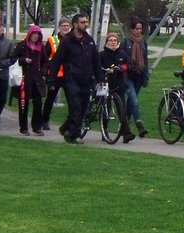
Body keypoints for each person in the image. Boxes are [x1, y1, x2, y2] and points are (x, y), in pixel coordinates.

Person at [49, 12, 102, 143]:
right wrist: (51, 79)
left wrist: (100, 78)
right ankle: (73, 135)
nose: (86, 24)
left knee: (83, 107)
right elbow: (57, 60)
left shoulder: (89, 40)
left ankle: (66, 127)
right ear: (75, 24)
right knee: (76, 106)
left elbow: (96, 61)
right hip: (71, 80)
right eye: (83, 22)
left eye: (86, 22)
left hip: (86, 80)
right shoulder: (67, 41)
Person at [10, 24, 49, 136]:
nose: (35, 36)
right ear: (30, 34)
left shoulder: (41, 47)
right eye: (34, 34)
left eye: (38, 34)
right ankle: (23, 128)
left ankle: (37, 127)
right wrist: (23, 60)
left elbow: (45, 61)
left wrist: (43, 71)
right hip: (24, 78)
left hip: (37, 78)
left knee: (38, 103)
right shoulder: (22, 46)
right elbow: (13, 58)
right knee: (23, 103)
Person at [98, 30, 134, 142]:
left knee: (121, 108)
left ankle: (126, 133)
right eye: (110, 40)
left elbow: (129, 65)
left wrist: (123, 68)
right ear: (106, 42)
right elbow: (97, 67)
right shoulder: (102, 55)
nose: (113, 42)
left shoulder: (122, 54)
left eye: (115, 40)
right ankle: (105, 132)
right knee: (106, 108)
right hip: (105, 84)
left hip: (119, 84)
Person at [123, 16, 151, 139]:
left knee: (130, 103)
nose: (138, 31)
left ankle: (125, 125)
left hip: (139, 76)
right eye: (136, 29)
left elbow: (145, 59)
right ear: (131, 29)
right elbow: (122, 58)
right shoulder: (126, 42)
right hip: (128, 76)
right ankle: (140, 125)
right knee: (134, 101)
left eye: (140, 29)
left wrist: (146, 76)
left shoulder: (143, 42)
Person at [41, 18, 69, 127]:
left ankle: (70, 122)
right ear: (59, 27)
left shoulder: (72, 40)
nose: (65, 28)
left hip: (68, 75)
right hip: (55, 74)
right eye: (63, 26)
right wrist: (46, 72)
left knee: (71, 99)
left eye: (67, 26)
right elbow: (45, 57)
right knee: (50, 99)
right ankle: (45, 121)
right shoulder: (52, 40)